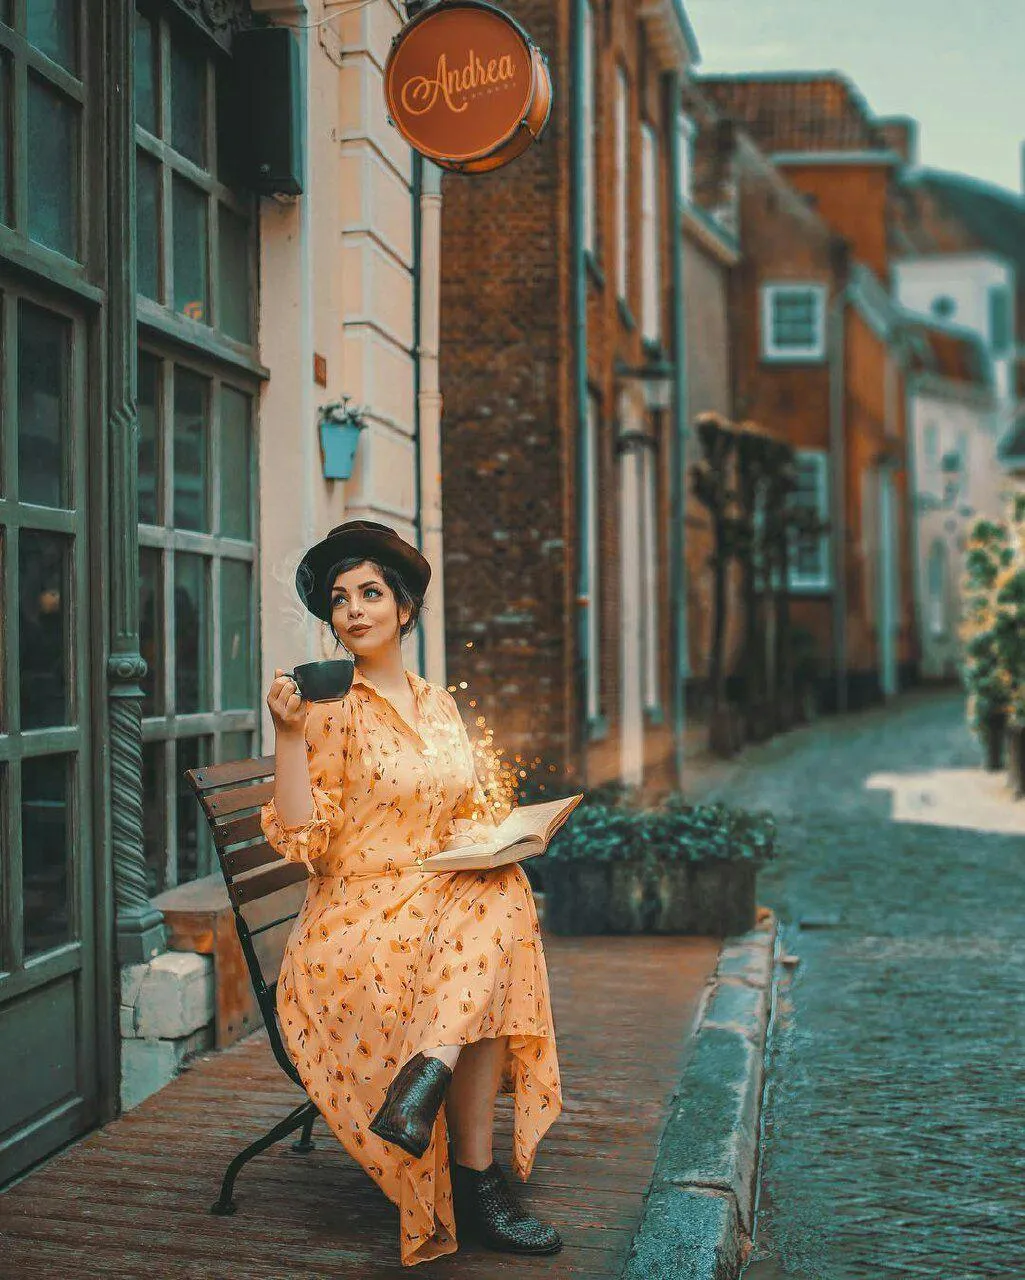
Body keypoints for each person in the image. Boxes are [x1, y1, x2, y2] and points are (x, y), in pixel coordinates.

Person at [260, 520, 563, 1268]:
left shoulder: (437, 704)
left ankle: (425, 1078)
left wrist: (496, 837)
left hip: (437, 900)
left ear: (403, 608)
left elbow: (456, 812)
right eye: (339, 599)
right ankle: (474, 1177)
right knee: (498, 932)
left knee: (500, 893)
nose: (354, 610)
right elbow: (303, 843)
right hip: (354, 918)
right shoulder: (324, 706)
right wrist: (288, 735)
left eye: (370, 593)